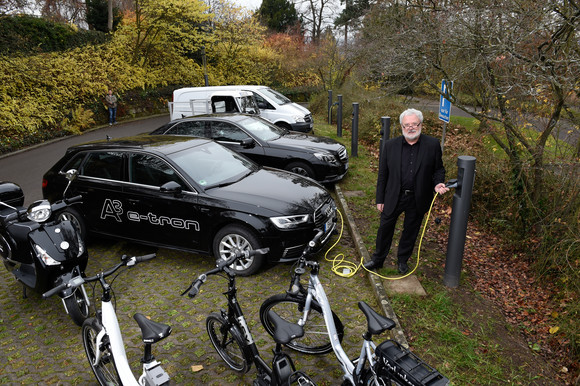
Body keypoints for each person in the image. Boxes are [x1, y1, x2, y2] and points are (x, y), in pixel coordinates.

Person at [364, 108, 449, 274]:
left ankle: (402, 261)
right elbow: (383, 174)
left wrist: (438, 183)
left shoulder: (432, 145)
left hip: (418, 197)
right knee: (384, 228)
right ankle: (378, 259)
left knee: (411, 231)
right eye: (406, 125)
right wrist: (379, 199)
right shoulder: (389, 146)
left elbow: (438, 169)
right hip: (393, 196)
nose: (410, 128)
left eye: (414, 124)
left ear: (421, 125)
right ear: (401, 126)